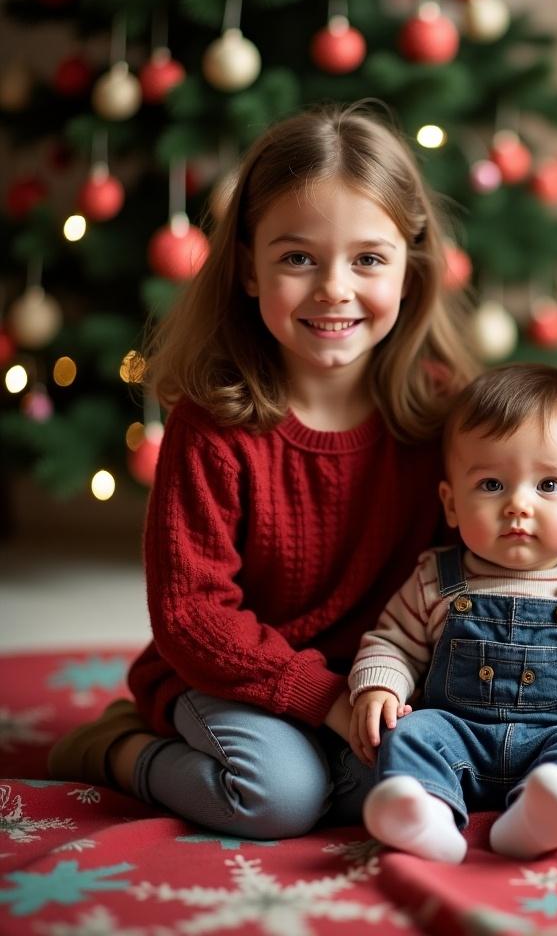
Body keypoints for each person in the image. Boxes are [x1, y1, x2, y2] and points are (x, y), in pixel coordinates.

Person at [48, 104, 478, 838]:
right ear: (249, 267)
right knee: (279, 798)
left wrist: (384, 694)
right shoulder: (214, 422)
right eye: (298, 257)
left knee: (445, 775)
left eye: (368, 259)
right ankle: (119, 748)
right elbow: (192, 616)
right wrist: (324, 700)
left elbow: (467, 571)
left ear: (411, 272)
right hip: (228, 673)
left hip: (377, 682)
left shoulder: (441, 413)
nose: (334, 288)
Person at [347, 364, 557, 861]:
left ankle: (546, 809)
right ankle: (425, 814)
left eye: (548, 485)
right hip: (458, 734)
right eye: (492, 485)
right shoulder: (436, 578)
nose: (518, 505)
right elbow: (392, 640)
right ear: (451, 503)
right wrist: (378, 685)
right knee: (410, 733)